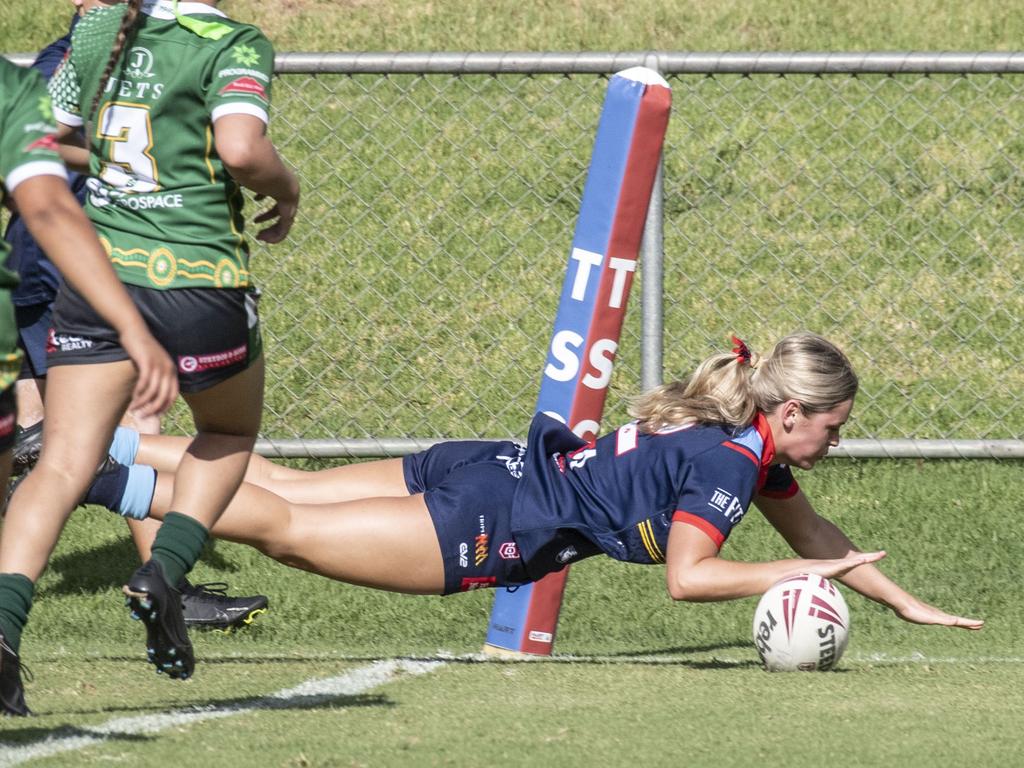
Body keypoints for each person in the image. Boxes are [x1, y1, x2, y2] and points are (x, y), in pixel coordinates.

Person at [80, 333, 983, 628]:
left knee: (281, 483)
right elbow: (689, 577)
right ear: (791, 416)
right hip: (493, 518)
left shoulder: (740, 437)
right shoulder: (729, 462)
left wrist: (900, 602)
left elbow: (818, 540)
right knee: (277, 524)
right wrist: (794, 579)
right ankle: (86, 477)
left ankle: (75, 442)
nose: (838, 441)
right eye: (835, 427)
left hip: (491, 464)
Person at [0, 0, 300, 710]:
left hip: (102, 282)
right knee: (227, 432)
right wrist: (285, 187)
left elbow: (50, 138)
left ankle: (6, 632)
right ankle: (164, 572)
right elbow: (240, 149)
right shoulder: (228, 40)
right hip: (199, 279)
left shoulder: (100, 36)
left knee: (64, 463)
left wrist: (115, 164)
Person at [0, 54, 178, 716]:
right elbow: (44, 207)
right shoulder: (31, 77)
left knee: (73, 453)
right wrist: (131, 324)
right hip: (55, 285)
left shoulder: (35, 79)